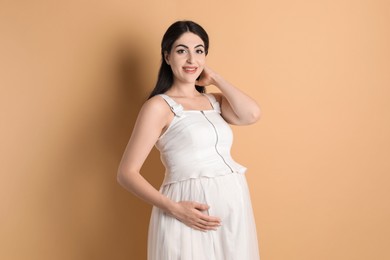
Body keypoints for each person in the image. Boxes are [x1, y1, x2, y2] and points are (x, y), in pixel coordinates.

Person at [117, 20, 261, 260]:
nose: (191, 59)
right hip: (185, 213)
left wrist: (215, 78)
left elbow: (252, 114)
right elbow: (126, 173)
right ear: (167, 56)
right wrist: (175, 209)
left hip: (233, 209)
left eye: (199, 50)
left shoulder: (215, 102)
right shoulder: (158, 106)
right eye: (182, 50)